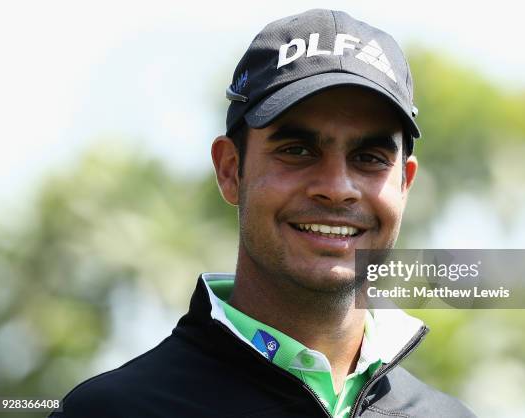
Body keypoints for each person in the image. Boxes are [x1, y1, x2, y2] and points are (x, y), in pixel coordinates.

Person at [51, 9, 475, 418]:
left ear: (405, 184)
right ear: (230, 170)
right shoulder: (113, 411)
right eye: (297, 150)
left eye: (369, 157)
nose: (336, 188)